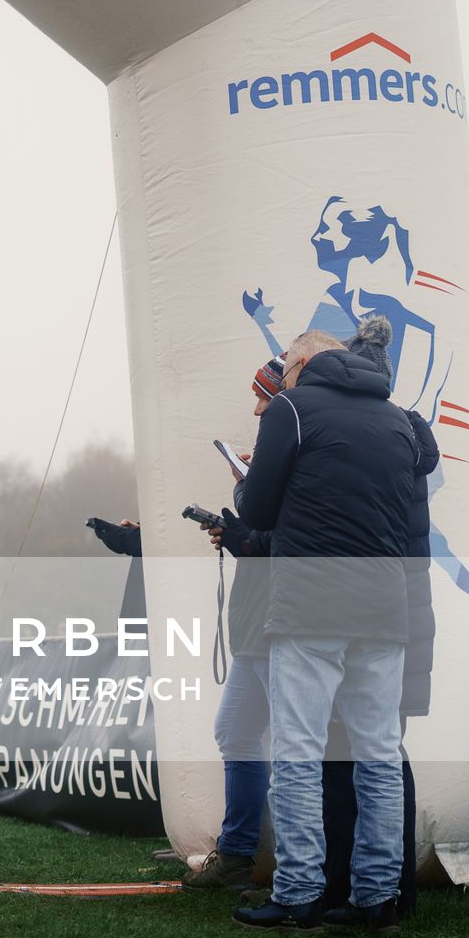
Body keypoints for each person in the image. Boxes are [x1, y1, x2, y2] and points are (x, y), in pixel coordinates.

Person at [228, 330, 423, 934]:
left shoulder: (292, 408)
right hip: (385, 608)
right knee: (379, 759)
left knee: (298, 754)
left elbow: (256, 511)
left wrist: (250, 481)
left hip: (310, 605)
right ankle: (375, 899)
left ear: (307, 362)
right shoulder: (399, 420)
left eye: (286, 366)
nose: (282, 377)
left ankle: (299, 895)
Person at [321, 316, 440, 919]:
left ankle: (361, 887)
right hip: (402, 606)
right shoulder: (407, 434)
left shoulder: (377, 437)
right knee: (382, 752)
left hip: (377, 608)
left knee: (363, 754)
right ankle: (387, 887)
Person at [184, 356, 284, 892]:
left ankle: (296, 870)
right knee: (235, 731)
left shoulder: (299, 445)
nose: (256, 407)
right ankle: (240, 855)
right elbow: (265, 541)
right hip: (255, 622)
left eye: (263, 397)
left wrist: (245, 513)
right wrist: (238, 528)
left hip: (279, 621)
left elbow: (281, 540)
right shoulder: (282, 447)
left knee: (294, 747)